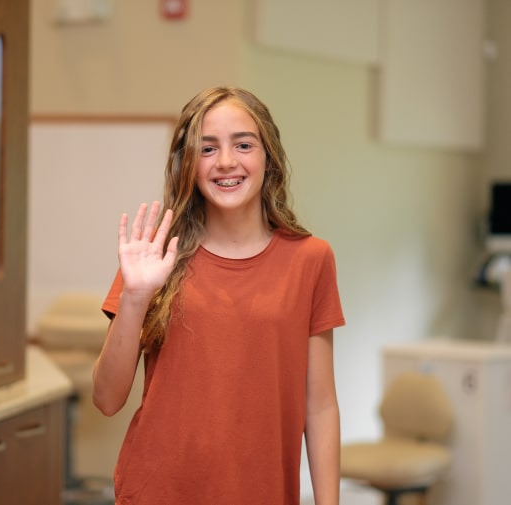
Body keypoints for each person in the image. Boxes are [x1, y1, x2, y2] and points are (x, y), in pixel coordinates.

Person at [92, 86, 345, 505]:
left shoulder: (311, 259)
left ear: (269, 156)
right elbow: (106, 399)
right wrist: (134, 298)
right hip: (157, 493)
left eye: (243, 144)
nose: (226, 161)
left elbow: (319, 408)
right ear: (187, 164)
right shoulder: (154, 255)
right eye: (207, 149)